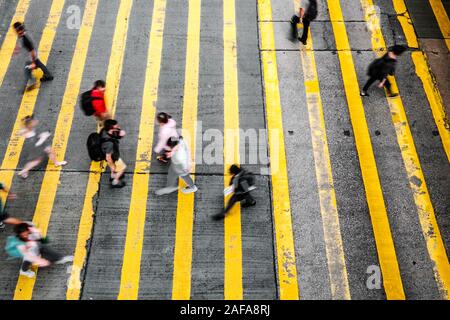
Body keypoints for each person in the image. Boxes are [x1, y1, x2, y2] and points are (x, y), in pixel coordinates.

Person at [13, 22, 53, 91]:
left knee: (27, 68)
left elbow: (32, 52)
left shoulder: (25, 40)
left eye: (16, 30)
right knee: (38, 63)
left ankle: (32, 81)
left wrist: (33, 62)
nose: (16, 32)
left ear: (19, 30)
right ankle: (48, 75)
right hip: (33, 52)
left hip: (32, 56)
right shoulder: (24, 34)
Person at [101, 119, 127, 188]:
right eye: (117, 127)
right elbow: (108, 157)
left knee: (113, 169)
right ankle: (115, 181)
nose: (119, 127)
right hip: (114, 157)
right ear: (111, 129)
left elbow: (114, 136)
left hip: (107, 153)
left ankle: (113, 176)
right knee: (122, 168)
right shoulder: (109, 144)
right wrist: (113, 166)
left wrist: (120, 135)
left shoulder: (104, 130)